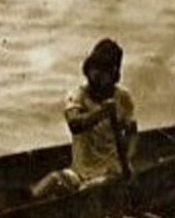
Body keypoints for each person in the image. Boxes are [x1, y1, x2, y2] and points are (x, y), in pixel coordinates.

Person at [31, 38, 137, 199]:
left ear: (113, 74)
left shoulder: (123, 98)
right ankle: (27, 202)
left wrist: (127, 161)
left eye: (104, 71)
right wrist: (102, 112)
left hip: (110, 171)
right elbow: (75, 124)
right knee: (53, 179)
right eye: (94, 68)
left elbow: (132, 132)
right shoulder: (76, 96)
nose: (97, 75)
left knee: (88, 190)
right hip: (80, 172)